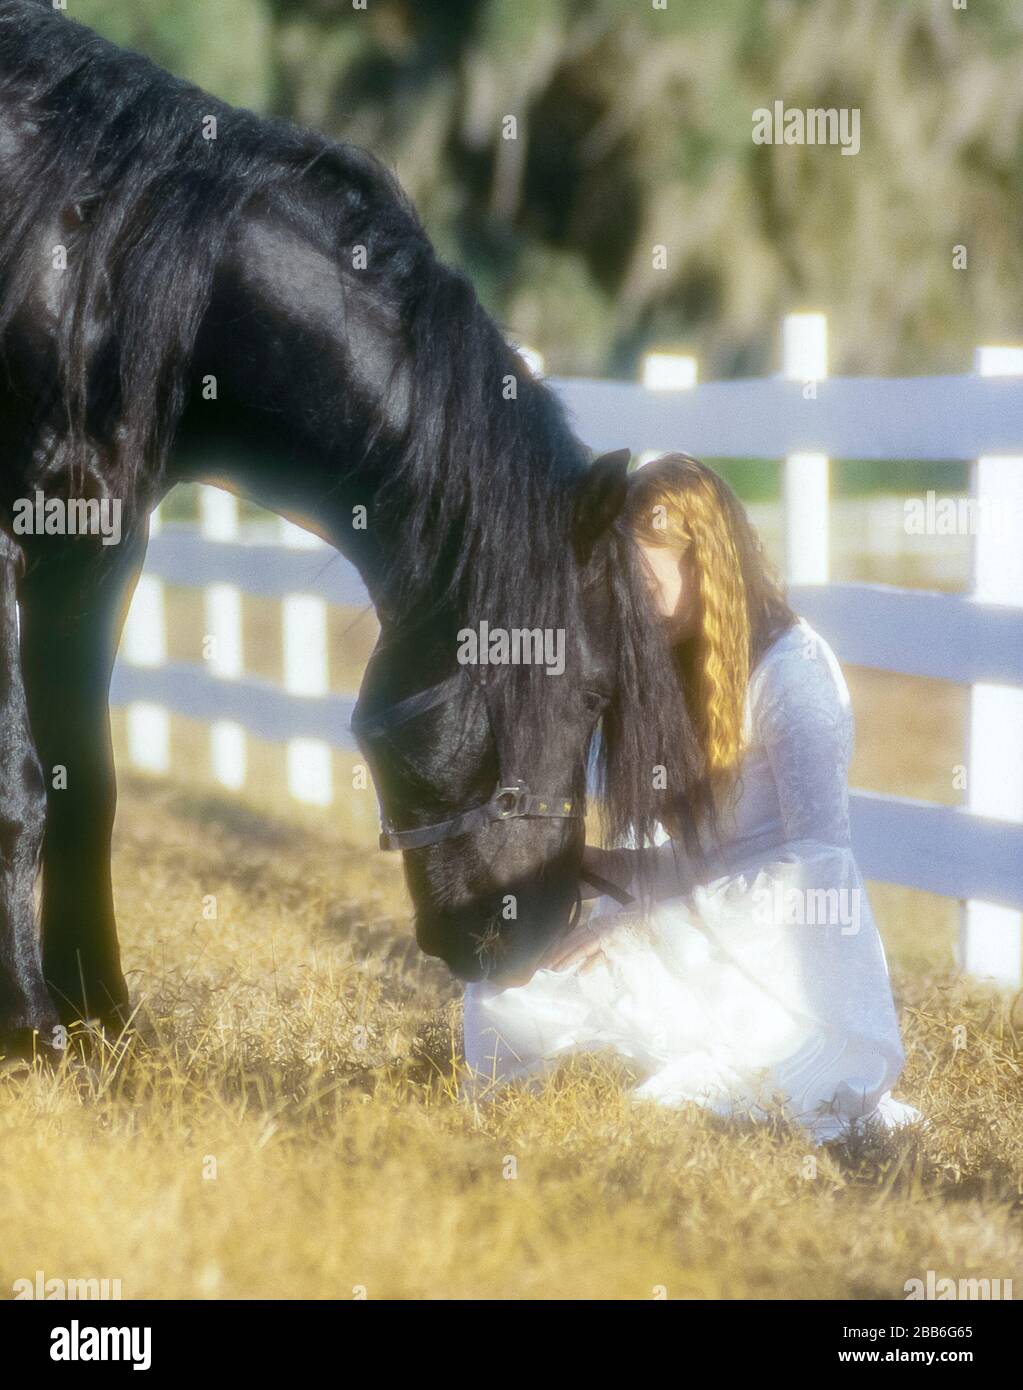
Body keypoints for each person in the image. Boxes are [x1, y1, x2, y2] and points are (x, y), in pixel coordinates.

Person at [463, 455, 921, 1144]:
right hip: (691, 928)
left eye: (643, 581)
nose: (631, 605)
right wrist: (599, 867)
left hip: (775, 958)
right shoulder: (669, 665)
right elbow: (705, 856)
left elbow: (817, 869)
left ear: (705, 561)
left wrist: (642, 924)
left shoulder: (794, 675)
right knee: (504, 997)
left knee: (664, 1084)